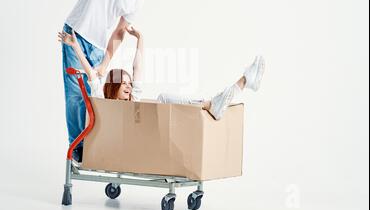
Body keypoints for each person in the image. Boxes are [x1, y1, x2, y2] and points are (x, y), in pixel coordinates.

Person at [61, 0, 159, 163]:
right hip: (76, 33)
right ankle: (78, 147)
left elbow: (119, 32)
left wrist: (105, 62)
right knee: (75, 94)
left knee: (94, 98)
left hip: (97, 47)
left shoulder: (137, 0)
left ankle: (93, 142)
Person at [58, 27, 265, 133]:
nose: (129, 86)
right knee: (165, 99)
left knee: (164, 98)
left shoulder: (134, 101)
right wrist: (75, 46)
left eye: (129, 83)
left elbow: (137, 68)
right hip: (139, 135)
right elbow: (93, 76)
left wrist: (140, 39)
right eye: (124, 84)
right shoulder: (101, 104)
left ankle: (243, 82)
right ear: (112, 87)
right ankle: (223, 96)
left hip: (152, 127)